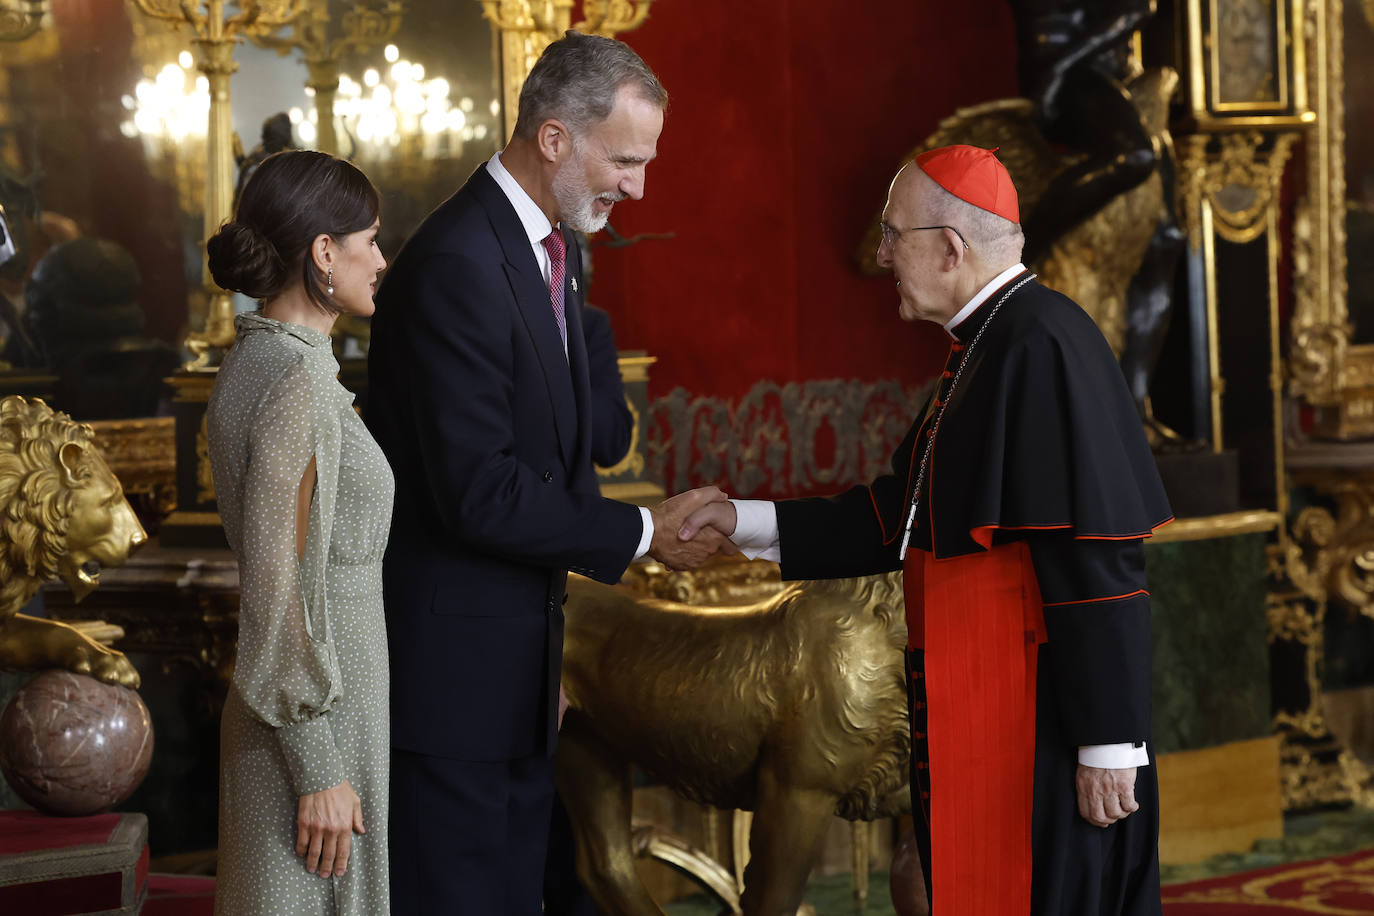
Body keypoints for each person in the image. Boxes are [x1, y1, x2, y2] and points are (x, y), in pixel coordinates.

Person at [681, 145, 1172, 915]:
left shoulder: (1040, 342)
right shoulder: (987, 344)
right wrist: (739, 519)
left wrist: (1110, 744)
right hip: (992, 717)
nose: (880, 255)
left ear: (950, 246)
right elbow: (893, 514)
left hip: (1044, 726)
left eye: (892, 234)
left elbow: (1098, 554)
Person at [364, 31, 730, 914]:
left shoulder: (545, 252)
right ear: (555, 138)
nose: (638, 186)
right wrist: (644, 532)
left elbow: (554, 461)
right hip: (449, 696)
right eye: (625, 158)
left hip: (512, 685)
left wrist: (543, 668)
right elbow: (478, 491)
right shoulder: (457, 261)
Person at [205, 149, 391, 915]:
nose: (380, 261)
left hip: (308, 713)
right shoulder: (298, 381)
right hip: (315, 726)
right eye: (370, 241)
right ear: (324, 253)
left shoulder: (260, 360)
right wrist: (317, 765)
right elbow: (278, 586)